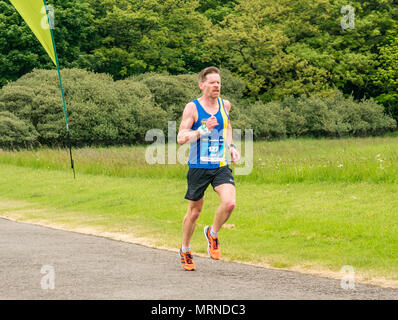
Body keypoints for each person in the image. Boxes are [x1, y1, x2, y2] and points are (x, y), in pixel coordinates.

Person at [177, 66, 240, 271]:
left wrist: (231, 147)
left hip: (220, 165)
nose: (216, 86)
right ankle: (185, 250)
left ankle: (212, 233)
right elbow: (180, 138)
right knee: (194, 212)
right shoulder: (192, 108)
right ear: (202, 85)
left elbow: (227, 127)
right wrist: (203, 129)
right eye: (212, 82)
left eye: (219, 82)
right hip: (198, 166)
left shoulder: (225, 105)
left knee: (230, 203)